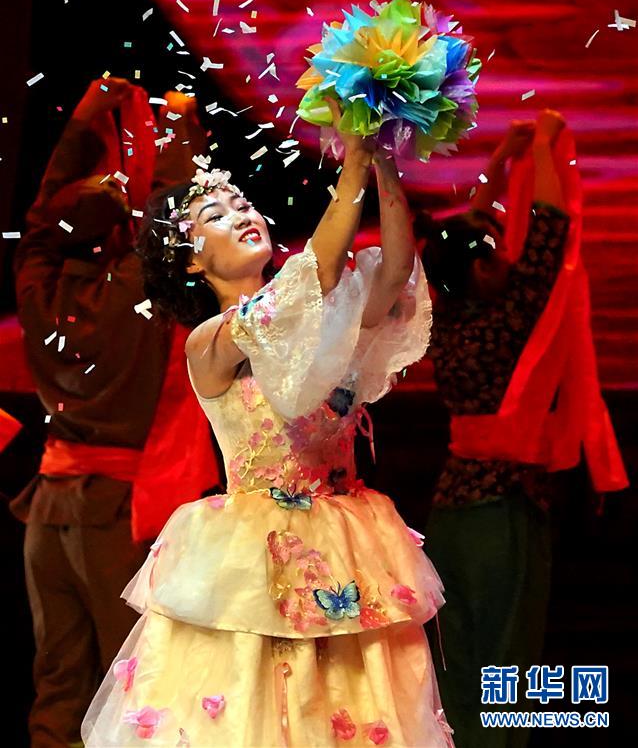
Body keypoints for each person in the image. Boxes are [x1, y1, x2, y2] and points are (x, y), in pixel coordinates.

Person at [81, 101, 455, 747]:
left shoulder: (322, 321)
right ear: (192, 263)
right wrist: (352, 162)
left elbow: (394, 272)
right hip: (254, 561)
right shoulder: (211, 341)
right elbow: (314, 277)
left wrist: (382, 161)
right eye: (216, 216)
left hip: (348, 545)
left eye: (242, 205)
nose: (241, 216)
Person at [12, 77, 220, 748]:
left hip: (48, 514)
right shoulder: (135, 293)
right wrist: (180, 127)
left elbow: (40, 223)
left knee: (58, 684)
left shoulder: (37, 289)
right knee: (130, 688)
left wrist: (81, 127)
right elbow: (176, 210)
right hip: (114, 516)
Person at [415, 109, 628, 748]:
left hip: (452, 509)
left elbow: (461, 239)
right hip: (502, 510)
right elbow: (549, 226)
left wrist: (499, 159)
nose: (506, 250)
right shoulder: (514, 314)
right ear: (483, 269)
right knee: (505, 655)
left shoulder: (446, 313)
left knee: (457, 650)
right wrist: (541, 148)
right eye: (495, 249)